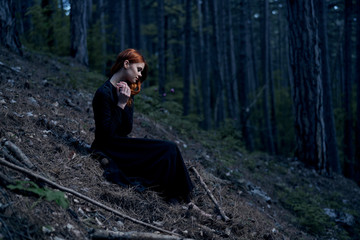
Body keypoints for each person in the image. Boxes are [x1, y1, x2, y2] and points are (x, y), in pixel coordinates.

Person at [91, 48, 193, 203]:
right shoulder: (103, 93)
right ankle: (182, 198)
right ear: (126, 64)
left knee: (169, 150)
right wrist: (120, 104)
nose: (139, 75)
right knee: (169, 148)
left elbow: (126, 129)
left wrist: (125, 102)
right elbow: (106, 136)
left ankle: (183, 198)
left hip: (121, 144)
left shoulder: (127, 91)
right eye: (138, 70)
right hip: (109, 148)